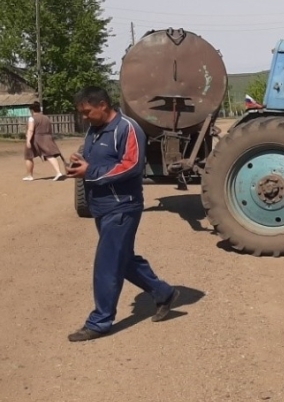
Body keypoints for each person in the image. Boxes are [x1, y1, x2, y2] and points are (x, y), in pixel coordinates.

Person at [65, 86, 179, 341]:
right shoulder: (94, 130)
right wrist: (79, 162)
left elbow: (131, 166)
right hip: (102, 207)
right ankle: (164, 293)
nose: (84, 117)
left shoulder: (128, 129)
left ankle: (100, 321)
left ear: (103, 105)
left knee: (107, 264)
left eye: (87, 112)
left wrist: (90, 172)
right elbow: (97, 161)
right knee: (122, 259)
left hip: (122, 206)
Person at [23, 101, 67, 181]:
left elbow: (30, 130)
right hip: (48, 137)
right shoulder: (46, 118)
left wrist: (28, 140)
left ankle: (30, 175)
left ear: (32, 110)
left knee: (28, 156)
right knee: (49, 155)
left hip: (36, 138)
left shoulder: (32, 118)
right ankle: (58, 172)